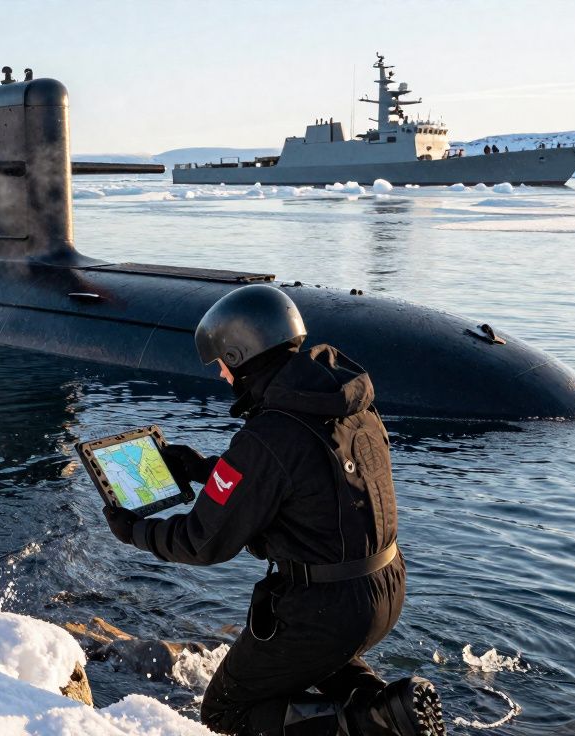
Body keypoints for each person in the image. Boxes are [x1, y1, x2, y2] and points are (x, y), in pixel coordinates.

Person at [102, 285, 443, 736]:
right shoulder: (350, 406)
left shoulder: (269, 434)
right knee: (314, 663)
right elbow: (310, 486)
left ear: (240, 355)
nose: (222, 376)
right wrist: (207, 470)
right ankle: (390, 706)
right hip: (385, 586)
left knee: (226, 710)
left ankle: (365, 723)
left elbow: (201, 542)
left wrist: (135, 531)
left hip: (324, 607)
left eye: (222, 364)